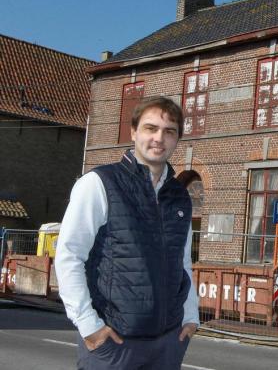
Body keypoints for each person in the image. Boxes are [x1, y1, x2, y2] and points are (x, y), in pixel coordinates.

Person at [55, 96, 199, 370]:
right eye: (150, 128)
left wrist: (190, 316)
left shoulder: (179, 196)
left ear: (177, 139)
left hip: (167, 342)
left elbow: (182, 262)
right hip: (114, 342)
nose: (159, 138)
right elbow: (69, 256)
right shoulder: (99, 183)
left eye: (169, 131)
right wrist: (89, 325)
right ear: (133, 132)